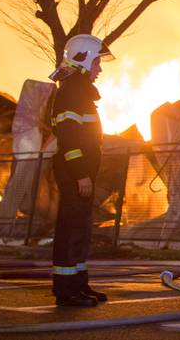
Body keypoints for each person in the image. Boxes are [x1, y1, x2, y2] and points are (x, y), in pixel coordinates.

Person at [49, 34, 113, 307]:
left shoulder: (80, 93)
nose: (99, 69)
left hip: (83, 175)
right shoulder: (71, 93)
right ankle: (65, 291)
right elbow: (69, 139)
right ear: (84, 59)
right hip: (76, 175)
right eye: (97, 62)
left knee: (81, 231)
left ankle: (79, 285)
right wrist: (80, 174)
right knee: (70, 230)